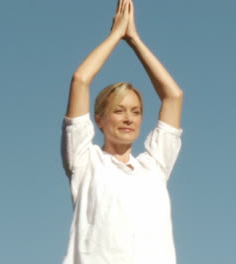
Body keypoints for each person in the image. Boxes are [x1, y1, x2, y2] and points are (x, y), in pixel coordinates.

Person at [60, 0, 183, 263]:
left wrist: (135, 39)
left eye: (136, 111)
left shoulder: (154, 167)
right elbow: (80, 80)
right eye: (118, 110)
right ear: (99, 120)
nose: (128, 119)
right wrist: (116, 35)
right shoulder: (85, 161)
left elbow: (173, 96)